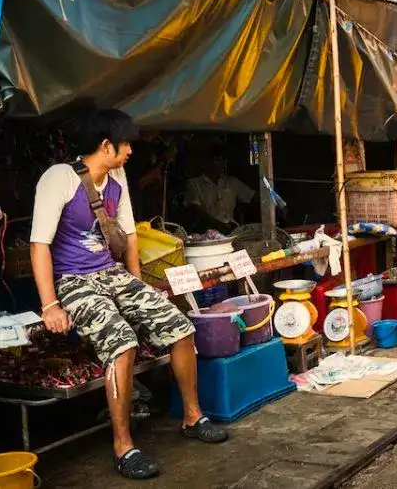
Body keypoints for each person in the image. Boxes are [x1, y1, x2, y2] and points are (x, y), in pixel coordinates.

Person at [30, 109, 227, 481]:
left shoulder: (117, 176)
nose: (131, 151)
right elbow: (39, 245)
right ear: (106, 146)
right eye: (126, 144)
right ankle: (124, 446)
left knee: (180, 326)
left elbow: (129, 235)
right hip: (74, 281)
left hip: (112, 273)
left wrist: (138, 286)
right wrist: (50, 304)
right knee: (121, 343)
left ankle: (192, 416)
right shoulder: (58, 179)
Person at [184, 146, 255, 232]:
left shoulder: (231, 182)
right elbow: (198, 212)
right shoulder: (194, 184)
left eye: (222, 160)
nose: (220, 164)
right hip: (206, 233)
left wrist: (240, 212)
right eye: (216, 160)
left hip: (231, 229)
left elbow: (252, 196)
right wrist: (219, 225)